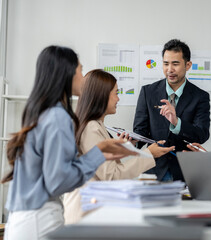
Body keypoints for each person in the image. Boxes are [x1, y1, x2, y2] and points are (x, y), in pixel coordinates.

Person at [3, 46, 138, 240]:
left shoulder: (42, 112)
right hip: (39, 220)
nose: (84, 78)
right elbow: (59, 181)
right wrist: (96, 156)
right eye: (81, 70)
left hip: (24, 217)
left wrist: (98, 153)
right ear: (68, 73)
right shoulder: (59, 117)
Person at [63, 69, 175, 224]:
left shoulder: (97, 126)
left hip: (92, 209)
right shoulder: (91, 129)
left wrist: (124, 149)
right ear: (102, 95)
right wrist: (149, 154)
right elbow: (112, 176)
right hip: (85, 213)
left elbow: (106, 169)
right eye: (115, 93)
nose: (118, 98)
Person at [133, 39, 210, 181]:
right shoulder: (148, 92)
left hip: (184, 172)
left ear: (188, 65)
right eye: (166, 63)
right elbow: (140, 131)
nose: (170, 69)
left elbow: (202, 134)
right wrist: (132, 142)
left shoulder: (200, 97)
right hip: (152, 171)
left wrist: (177, 123)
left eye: (175, 64)